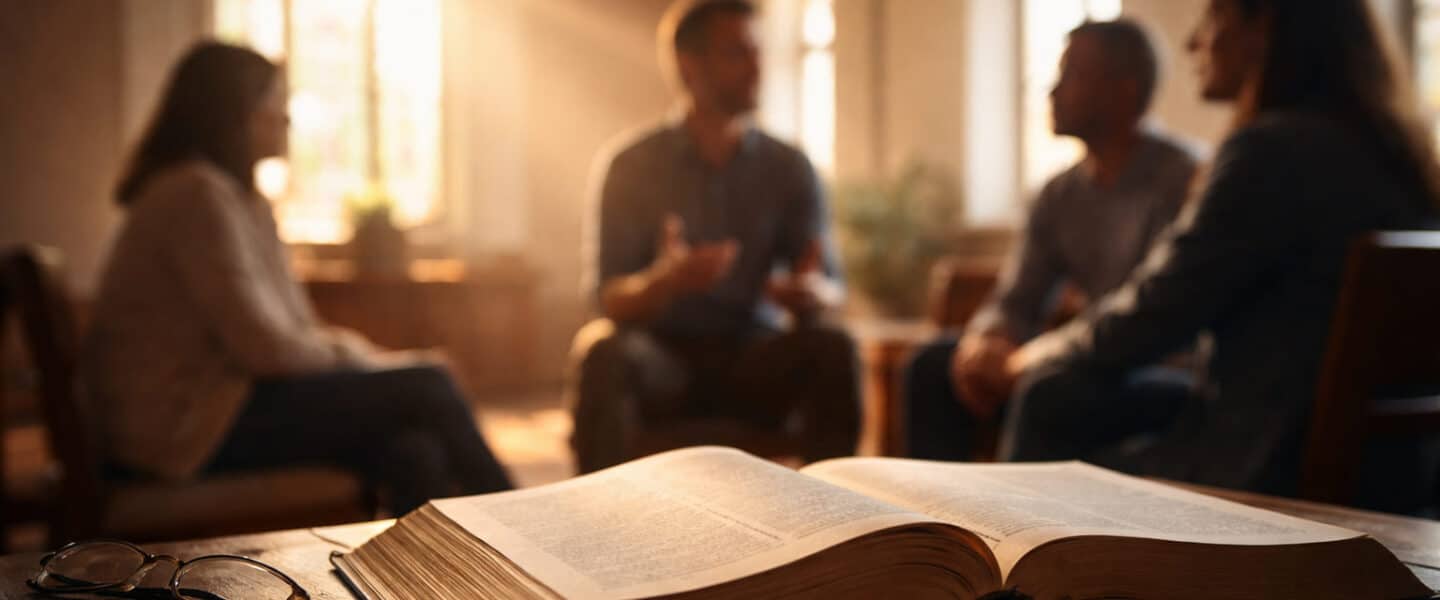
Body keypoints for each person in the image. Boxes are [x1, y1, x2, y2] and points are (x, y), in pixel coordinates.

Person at [994, 0, 1440, 502]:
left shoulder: (1267, 154)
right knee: (1060, 392)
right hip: (1396, 470)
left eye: (1212, 19)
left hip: (1267, 462)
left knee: (1045, 397)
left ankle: (1014, 564)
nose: (1193, 42)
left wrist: (1031, 357)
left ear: (1261, 29)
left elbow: (1155, 312)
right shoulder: (1398, 153)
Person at [84, 42, 512, 515]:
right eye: (274, 102)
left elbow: (295, 333)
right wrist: (366, 362)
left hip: (222, 410)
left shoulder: (242, 203)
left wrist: (366, 360)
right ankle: (522, 530)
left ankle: (436, 579)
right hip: (177, 434)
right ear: (236, 113)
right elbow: (267, 350)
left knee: (413, 448)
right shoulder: (194, 194)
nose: (285, 118)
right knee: (428, 384)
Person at [570, 0, 861, 473]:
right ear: (690, 66)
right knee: (601, 351)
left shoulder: (789, 168)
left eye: (758, 52)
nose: (757, 67)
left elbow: (831, 286)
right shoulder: (630, 165)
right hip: (663, 362)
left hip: (756, 359)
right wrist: (665, 281)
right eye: (737, 53)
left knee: (833, 345)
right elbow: (607, 299)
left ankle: (839, 526)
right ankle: (589, 530)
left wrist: (811, 292)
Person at [904, 19, 1199, 461]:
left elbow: (1152, 318)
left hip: (1158, 371)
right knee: (933, 364)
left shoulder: (1186, 182)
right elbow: (1018, 298)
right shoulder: (1059, 193)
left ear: (1125, 89)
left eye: (1071, 75)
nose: (1052, 91)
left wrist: (1030, 360)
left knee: (1050, 389)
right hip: (1078, 361)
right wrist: (984, 342)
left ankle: (1011, 529)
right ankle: (928, 525)